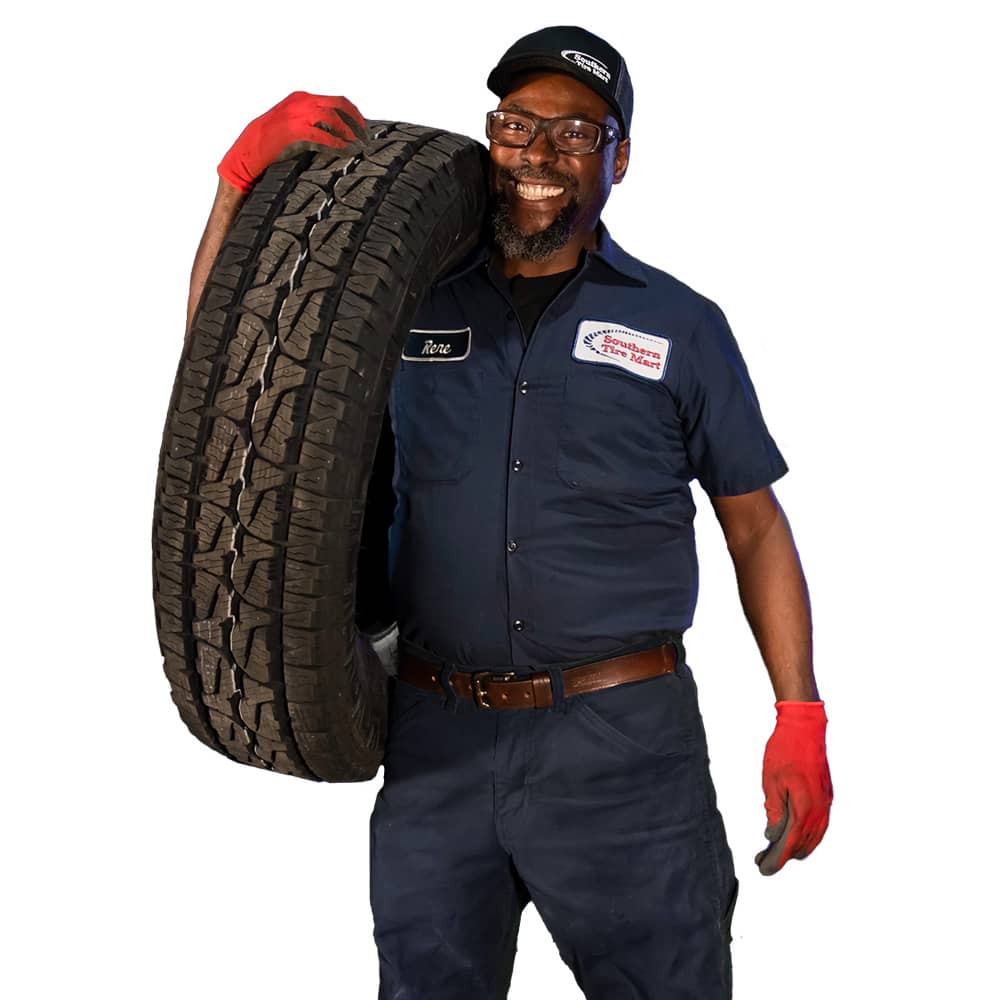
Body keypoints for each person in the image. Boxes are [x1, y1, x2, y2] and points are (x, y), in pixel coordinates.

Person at [188, 25, 832, 1000]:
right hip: (438, 735)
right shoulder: (399, 304)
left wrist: (799, 713)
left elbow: (754, 524)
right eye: (517, 125)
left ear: (620, 158)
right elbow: (239, 377)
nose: (539, 153)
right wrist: (238, 181)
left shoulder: (678, 325)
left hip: (622, 747)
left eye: (575, 133)